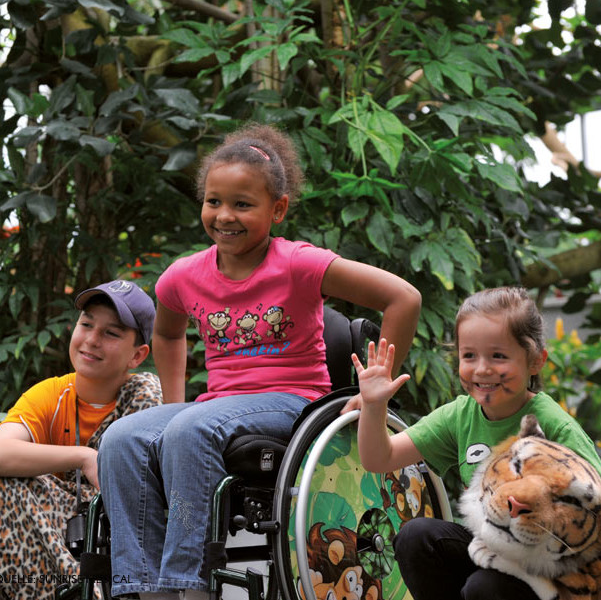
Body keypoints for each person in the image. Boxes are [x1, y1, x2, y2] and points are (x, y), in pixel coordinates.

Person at [97, 123, 422, 600]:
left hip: (294, 402)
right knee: (122, 437)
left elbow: (404, 299)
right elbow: (167, 332)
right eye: (213, 201)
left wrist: (372, 390)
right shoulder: (184, 275)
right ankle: (139, 588)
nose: (224, 215)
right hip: (218, 405)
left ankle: (188, 587)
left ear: (278, 209)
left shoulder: (299, 263)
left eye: (242, 204)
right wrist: (174, 403)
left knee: (191, 429)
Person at [351, 286, 601, 600]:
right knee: (417, 536)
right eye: (469, 355)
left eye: (498, 355)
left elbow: (593, 513)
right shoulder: (460, 415)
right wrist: (374, 406)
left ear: (535, 361)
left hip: (547, 574)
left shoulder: (555, 426)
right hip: (491, 549)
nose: (482, 368)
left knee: (483, 588)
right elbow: (379, 458)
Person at [0, 279, 163, 600]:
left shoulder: (146, 395)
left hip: (118, 533)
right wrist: (84, 457)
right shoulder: (52, 394)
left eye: (111, 333)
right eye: (86, 324)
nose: (91, 340)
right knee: (9, 483)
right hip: (54, 530)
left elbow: (142, 493)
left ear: (138, 354)